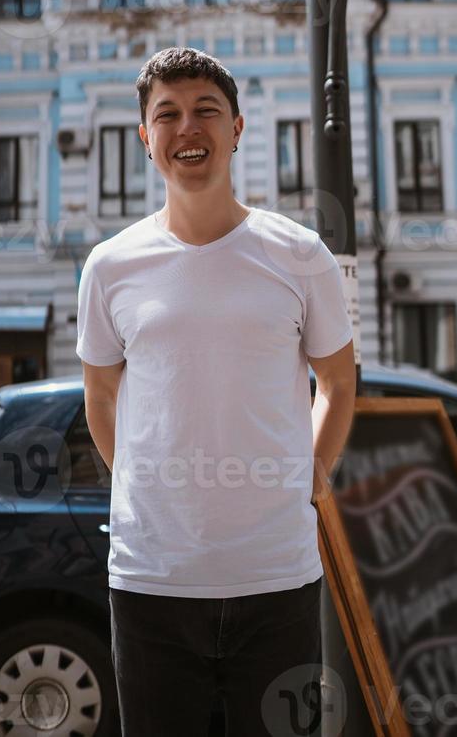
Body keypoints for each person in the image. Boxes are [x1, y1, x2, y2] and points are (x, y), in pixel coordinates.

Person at [76, 47, 356, 737]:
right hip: (151, 582)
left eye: (205, 110)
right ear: (145, 137)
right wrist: (145, 490)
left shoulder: (300, 256)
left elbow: (340, 382)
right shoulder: (109, 267)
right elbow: (102, 397)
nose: (186, 128)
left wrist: (311, 480)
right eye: (166, 115)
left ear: (236, 128)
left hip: (278, 580)